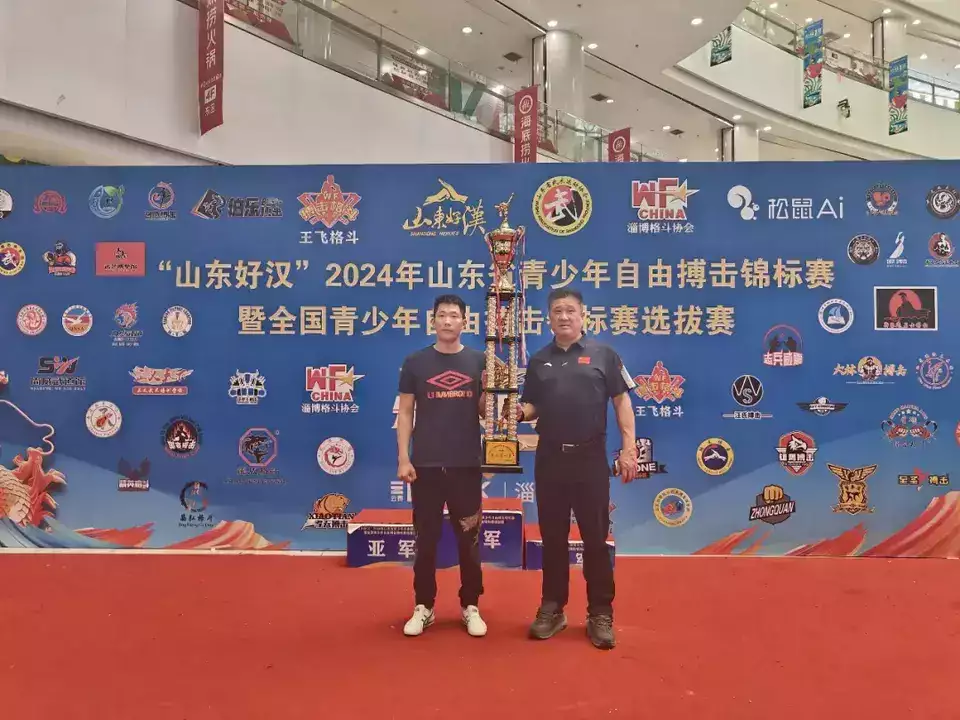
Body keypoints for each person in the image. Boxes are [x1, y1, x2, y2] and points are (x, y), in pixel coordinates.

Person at [516, 287, 637, 650]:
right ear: (548, 319)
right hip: (550, 459)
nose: (564, 316)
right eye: (557, 311)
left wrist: (629, 449)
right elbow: (533, 406)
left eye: (570, 310)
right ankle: (553, 608)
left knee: (595, 541)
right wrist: (517, 412)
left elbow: (622, 402)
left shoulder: (604, 355)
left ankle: (600, 612)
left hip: (590, 460)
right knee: (553, 539)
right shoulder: (539, 361)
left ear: (583, 315)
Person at [396, 293, 488, 638]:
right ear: (432, 321)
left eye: (454, 315)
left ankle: (471, 605)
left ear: (465, 321)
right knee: (426, 540)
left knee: (469, 539)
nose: (448, 321)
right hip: (426, 465)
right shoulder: (415, 362)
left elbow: (487, 411)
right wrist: (404, 457)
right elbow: (406, 412)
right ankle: (424, 606)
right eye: (442, 315)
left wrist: (493, 392)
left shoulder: (480, 361)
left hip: (466, 464)